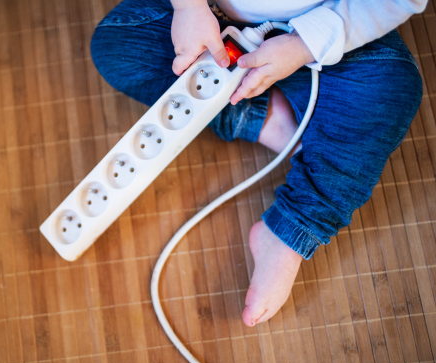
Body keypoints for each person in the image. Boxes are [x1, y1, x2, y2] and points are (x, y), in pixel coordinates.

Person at [90, 0, 426, 327]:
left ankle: (290, 230)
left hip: (326, 35)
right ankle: (268, 119)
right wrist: (188, 8)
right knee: (118, 44)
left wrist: (302, 45)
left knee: (391, 89)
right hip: (208, 19)